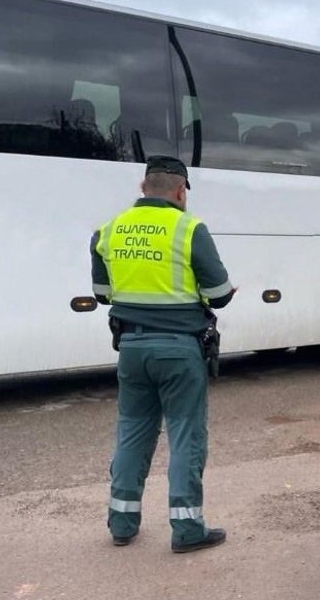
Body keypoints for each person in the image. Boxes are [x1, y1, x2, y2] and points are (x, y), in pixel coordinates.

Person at [90, 155, 235, 552]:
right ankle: (187, 529)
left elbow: (103, 295)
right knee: (186, 434)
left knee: (133, 431)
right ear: (180, 191)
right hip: (179, 350)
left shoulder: (109, 230)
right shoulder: (190, 229)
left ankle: (122, 523)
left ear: (143, 188)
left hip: (131, 349)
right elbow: (219, 295)